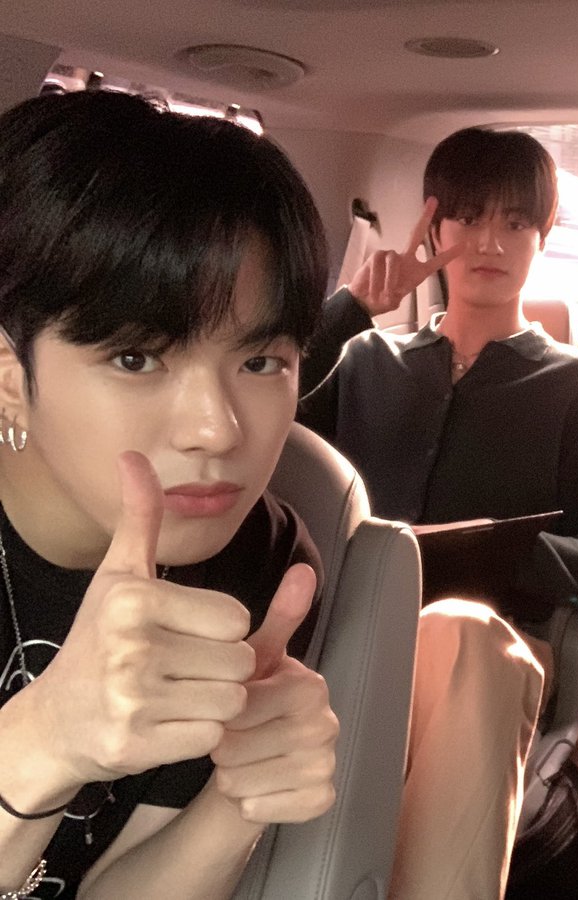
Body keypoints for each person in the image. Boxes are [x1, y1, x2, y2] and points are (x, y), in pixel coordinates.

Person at [299, 126, 578, 898]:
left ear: (543, 235)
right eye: (467, 217)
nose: (490, 241)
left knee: (461, 633)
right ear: (433, 229)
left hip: (494, 646)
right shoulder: (363, 360)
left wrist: (505, 548)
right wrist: (352, 309)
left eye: (515, 221)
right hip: (345, 635)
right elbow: (256, 420)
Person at [0, 90, 338, 899]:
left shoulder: (262, 565)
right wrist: (43, 743)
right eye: (137, 358)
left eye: (259, 362)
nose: (217, 430)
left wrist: (237, 801)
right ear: (9, 377)